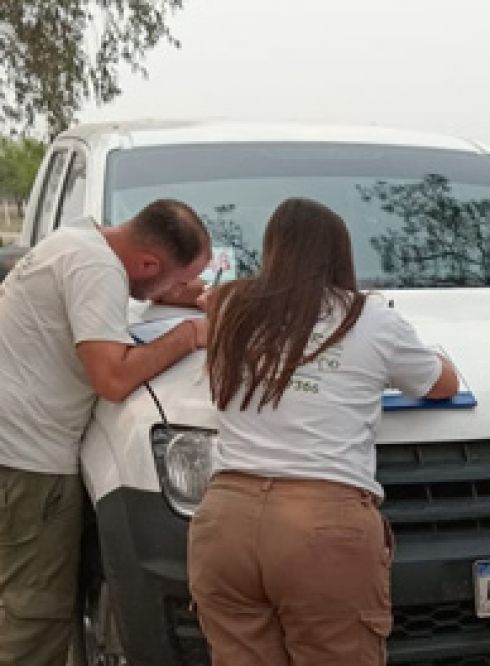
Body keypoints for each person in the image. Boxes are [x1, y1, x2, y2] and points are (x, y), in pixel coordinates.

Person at [188, 197, 459, 666]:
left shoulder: (231, 305)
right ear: (341, 255)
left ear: (271, 250)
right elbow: (441, 384)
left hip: (225, 521)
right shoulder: (372, 318)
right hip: (321, 526)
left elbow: (203, 299)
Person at [0, 199, 211, 665]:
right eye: (181, 279)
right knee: (36, 619)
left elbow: (120, 298)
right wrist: (190, 334)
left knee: (19, 606)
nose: (186, 289)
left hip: (13, 449)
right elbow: (113, 379)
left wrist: (175, 294)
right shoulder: (97, 269)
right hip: (29, 463)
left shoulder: (81, 243)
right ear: (149, 263)